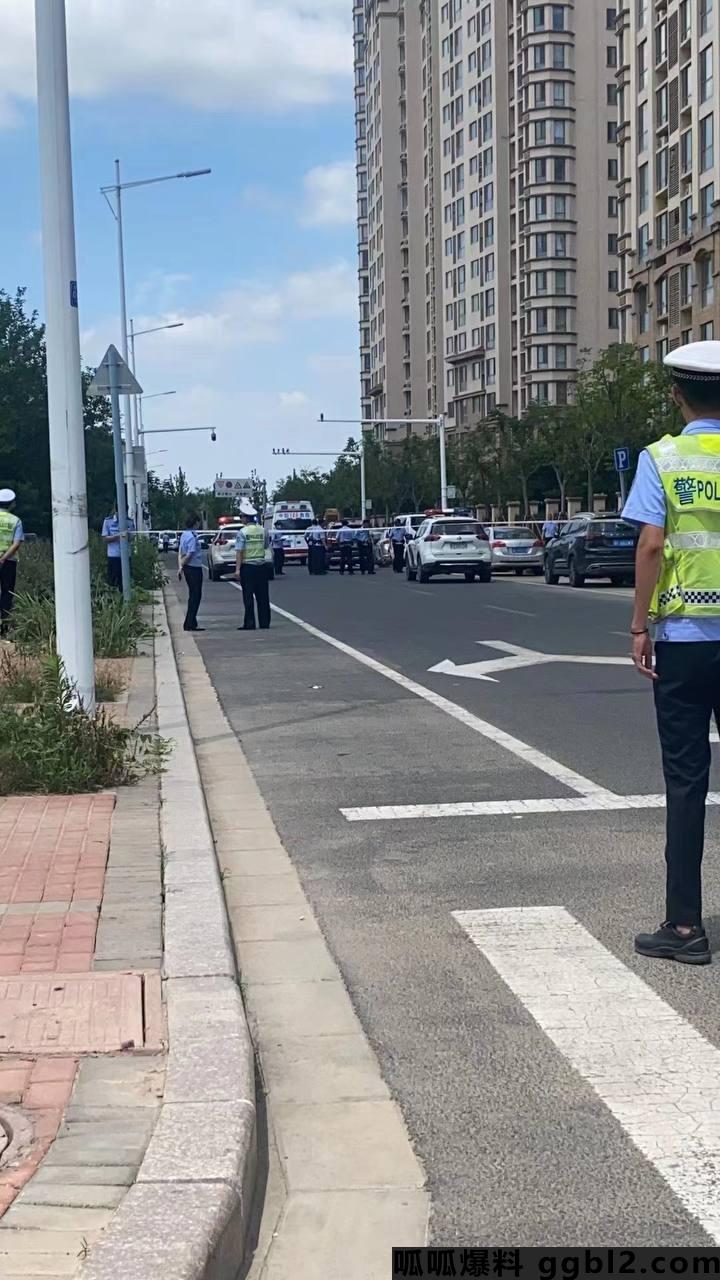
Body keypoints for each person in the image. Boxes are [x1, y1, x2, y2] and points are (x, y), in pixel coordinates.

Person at [624, 340, 720, 966]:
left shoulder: (663, 457)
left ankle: (685, 928)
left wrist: (639, 624)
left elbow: (653, 547)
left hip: (686, 640)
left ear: (676, 393)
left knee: (686, 782)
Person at [234, 514, 271, 630]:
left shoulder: (242, 532)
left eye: (242, 517)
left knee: (248, 596)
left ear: (246, 518)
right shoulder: (263, 530)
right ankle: (264, 622)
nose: (241, 519)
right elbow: (265, 546)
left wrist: (237, 569)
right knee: (263, 596)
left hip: (248, 566)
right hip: (261, 566)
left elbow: (239, 552)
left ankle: (250, 623)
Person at [0, 489, 24, 637]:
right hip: (8, 561)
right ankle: (3, 626)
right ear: (12, 504)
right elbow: (16, 544)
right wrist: (2, 558)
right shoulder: (16, 521)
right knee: (7, 592)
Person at [177, 512, 205, 632]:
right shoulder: (192, 537)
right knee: (195, 596)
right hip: (194, 568)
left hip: (188, 568)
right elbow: (190, 553)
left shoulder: (184, 535)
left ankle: (192, 622)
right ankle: (189, 623)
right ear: (196, 523)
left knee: (193, 595)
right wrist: (183, 564)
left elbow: (181, 552)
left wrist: (181, 566)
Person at [101, 505, 135, 592]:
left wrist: (128, 536)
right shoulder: (108, 521)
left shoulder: (129, 522)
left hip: (126, 555)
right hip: (114, 556)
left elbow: (132, 538)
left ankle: (125, 597)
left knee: (125, 579)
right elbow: (105, 538)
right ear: (116, 511)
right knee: (113, 579)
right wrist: (118, 536)